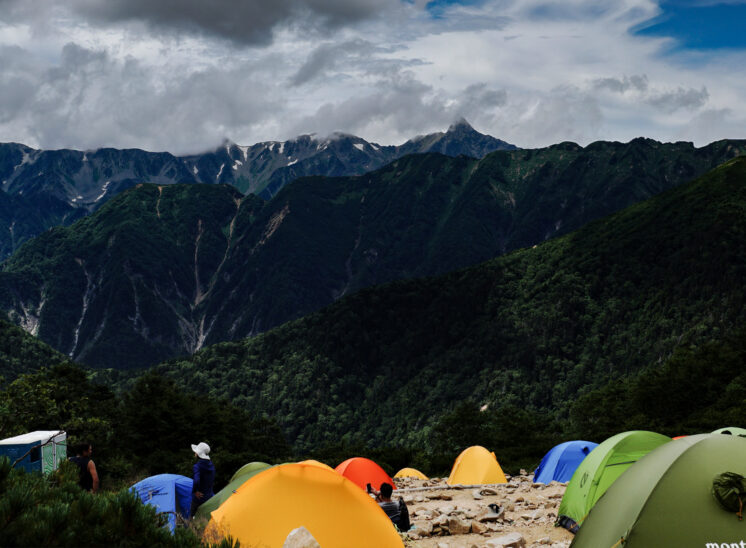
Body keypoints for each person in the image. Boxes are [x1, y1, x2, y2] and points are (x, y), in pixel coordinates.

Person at [190, 442, 215, 517]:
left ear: (198, 454)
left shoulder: (197, 466)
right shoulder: (211, 465)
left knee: (192, 517)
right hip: (210, 496)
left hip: (199, 498)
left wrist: (195, 491)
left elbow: (196, 480)